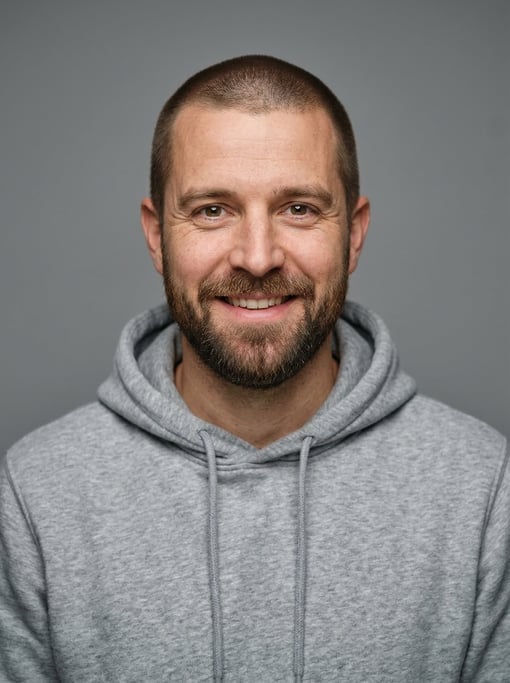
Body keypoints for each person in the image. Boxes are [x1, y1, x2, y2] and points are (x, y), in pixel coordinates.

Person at [0, 55, 508, 682]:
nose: (259, 257)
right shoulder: (35, 494)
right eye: (213, 209)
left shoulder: (485, 491)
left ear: (353, 233)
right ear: (158, 235)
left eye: (298, 208)